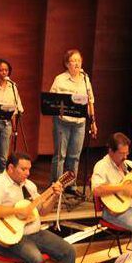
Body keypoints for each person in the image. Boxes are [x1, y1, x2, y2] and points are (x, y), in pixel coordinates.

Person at [0, 152, 77, 263]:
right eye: (23, 169)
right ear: (11, 168)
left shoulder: (29, 186)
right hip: (10, 238)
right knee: (36, 259)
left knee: (69, 251)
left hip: (35, 234)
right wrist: (16, 211)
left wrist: (54, 196)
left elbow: (43, 211)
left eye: (29, 169)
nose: (28, 173)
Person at [49, 49, 97, 190]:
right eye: (73, 60)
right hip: (62, 122)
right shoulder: (60, 79)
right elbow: (51, 100)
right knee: (60, 155)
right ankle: (56, 186)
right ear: (66, 64)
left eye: (79, 60)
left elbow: (90, 101)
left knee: (75, 156)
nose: (77, 63)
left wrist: (93, 122)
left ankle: (70, 185)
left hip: (79, 123)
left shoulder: (85, 79)